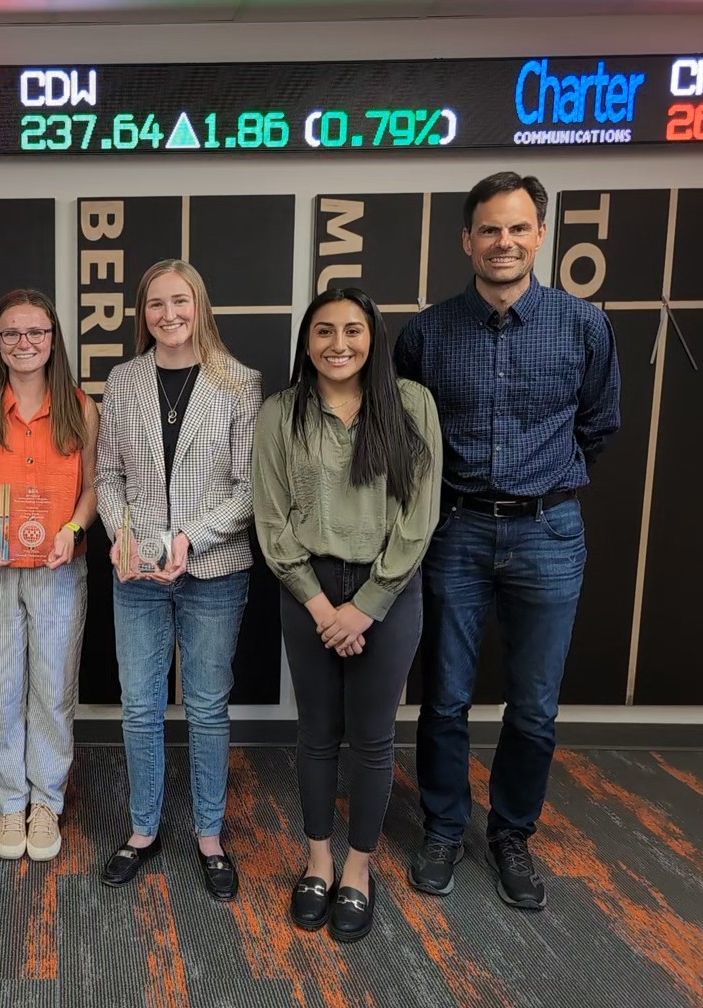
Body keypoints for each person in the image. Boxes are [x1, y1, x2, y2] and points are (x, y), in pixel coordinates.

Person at [396, 172, 620, 911]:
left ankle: (512, 835)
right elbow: (406, 437)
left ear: (540, 235)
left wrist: (547, 482)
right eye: (490, 229)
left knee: (533, 707)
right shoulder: (426, 333)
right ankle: (443, 827)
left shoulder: (583, 325)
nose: (504, 242)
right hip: (455, 530)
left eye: (518, 228)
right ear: (467, 239)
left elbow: (599, 423)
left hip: (549, 533)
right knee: (447, 700)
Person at [254, 288, 441, 942]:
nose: (339, 343)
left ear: (373, 338)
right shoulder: (282, 413)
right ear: (307, 341)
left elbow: (418, 521)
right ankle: (318, 861)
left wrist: (364, 609)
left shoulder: (411, 404)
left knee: (372, 738)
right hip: (306, 588)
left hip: (388, 590)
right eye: (325, 331)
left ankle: (359, 869)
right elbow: (273, 520)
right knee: (316, 733)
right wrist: (320, 605)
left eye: (353, 331)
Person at [94, 259, 262, 900]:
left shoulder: (240, 382)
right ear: (143, 313)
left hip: (213, 569)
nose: (169, 315)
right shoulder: (124, 380)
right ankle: (142, 830)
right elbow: (106, 478)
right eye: (156, 304)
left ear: (201, 306)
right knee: (139, 707)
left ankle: (210, 835)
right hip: (136, 569)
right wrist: (126, 537)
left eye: (180, 302)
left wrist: (191, 537)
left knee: (207, 707)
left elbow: (250, 489)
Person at [0, 289, 99, 862]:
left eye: (36, 332)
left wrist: (74, 531)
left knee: (54, 690)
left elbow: (91, 491)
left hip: (60, 568)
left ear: (53, 340)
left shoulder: (82, 409)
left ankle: (47, 801)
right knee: (2, 689)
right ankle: (11, 800)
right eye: (11, 333)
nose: (24, 344)